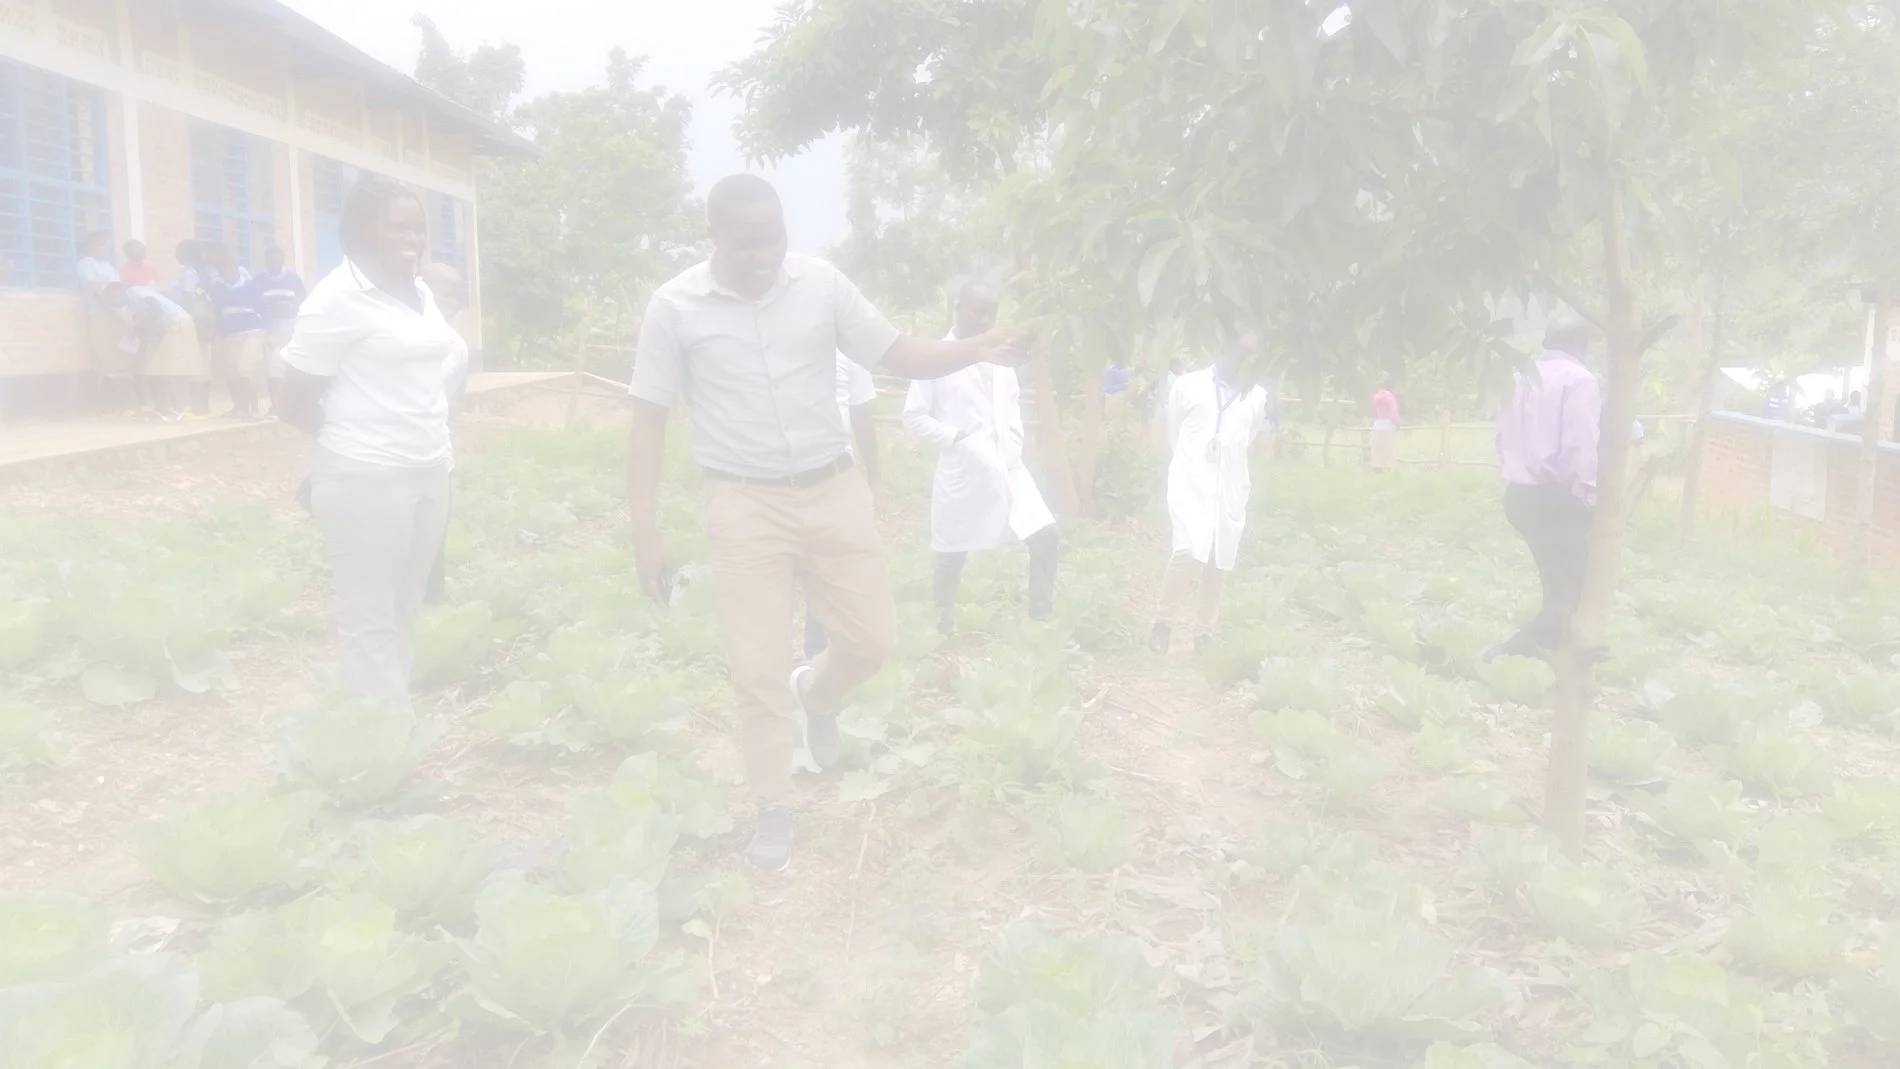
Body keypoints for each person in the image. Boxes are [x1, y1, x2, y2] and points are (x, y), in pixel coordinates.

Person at [626, 174, 1030, 871]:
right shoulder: (675, 308)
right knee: (755, 665)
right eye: (747, 242)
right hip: (743, 501)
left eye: (774, 238)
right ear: (716, 237)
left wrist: (977, 346)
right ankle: (774, 807)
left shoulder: (820, 285)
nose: (764, 254)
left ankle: (816, 691)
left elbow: (899, 352)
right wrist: (644, 529)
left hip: (831, 488)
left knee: (871, 640)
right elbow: (648, 418)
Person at [279, 175, 469, 711]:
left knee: (405, 604)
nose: (415, 238)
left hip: (431, 467)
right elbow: (292, 402)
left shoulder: (421, 292)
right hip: (365, 476)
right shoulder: (334, 301)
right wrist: (353, 443)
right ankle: (380, 736)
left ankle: (389, 712)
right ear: (363, 229)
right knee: (369, 616)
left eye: (420, 228)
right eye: (400, 226)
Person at [903, 279, 1058, 635]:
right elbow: (913, 416)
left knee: (1045, 535)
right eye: (979, 311)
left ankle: (1041, 624)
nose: (987, 320)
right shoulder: (937, 357)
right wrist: (958, 438)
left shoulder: (1000, 356)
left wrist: (1014, 440)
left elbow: (1012, 403)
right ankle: (939, 628)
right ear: (958, 307)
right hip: (965, 468)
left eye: (992, 313)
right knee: (951, 550)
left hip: (1008, 465)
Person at [1150, 326, 1277, 656]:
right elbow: (1174, 429)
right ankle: (1162, 623)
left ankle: (1203, 632)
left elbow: (1247, 440)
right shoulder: (1188, 385)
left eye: (1253, 355)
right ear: (1226, 346)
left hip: (1231, 485)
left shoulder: (1258, 396)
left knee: (1218, 558)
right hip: (1190, 479)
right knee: (1187, 549)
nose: (1245, 360)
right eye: (1241, 351)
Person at [1488, 318, 1602, 661]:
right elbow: (1579, 444)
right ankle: (1516, 649)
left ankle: (1564, 645)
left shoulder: (1519, 376)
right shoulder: (1580, 380)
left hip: (1518, 494)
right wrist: (1589, 494)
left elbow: (1501, 436)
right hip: (1555, 496)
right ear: (1582, 347)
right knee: (1572, 584)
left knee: (1555, 580)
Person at [803, 354, 881, 658]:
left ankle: (816, 648)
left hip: (835, 470)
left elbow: (862, 416)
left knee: (826, 563)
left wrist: (875, 479)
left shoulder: (850, 352)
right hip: (774, 471)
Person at [103, 281, 207, 421]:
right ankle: (165, 409)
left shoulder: (133, 292)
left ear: (119, 290)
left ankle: (183, 410)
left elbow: (155, 307)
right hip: (168, 329)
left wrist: (145, 332)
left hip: (175, 325)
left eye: (113, 298)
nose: (115, 303)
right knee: (155, 370)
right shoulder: (132, 301)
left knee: (172, 369)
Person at [207, 245, 266, 419]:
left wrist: (268, 332)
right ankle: (240, 408)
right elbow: (216, 312)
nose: (227, 272)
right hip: (230, 334)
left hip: (252, 331)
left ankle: (254, 409)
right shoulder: (217, 288)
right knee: (232, 371)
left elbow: (263, 310)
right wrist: (218, 333)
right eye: (222, 270)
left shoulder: (251, 286)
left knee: (245, 367)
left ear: (235, 268)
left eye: (229, 268)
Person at [77, 231, 131, 412]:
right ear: (92, 245)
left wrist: (121, 312)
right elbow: (97, 291)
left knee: (120, 356)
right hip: (100, 314)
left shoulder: (108, 266)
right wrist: (113, 311)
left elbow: (117, 290)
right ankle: (113, 406)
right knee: (106, 358)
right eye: (102, 244)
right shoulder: (86, 264)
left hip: (116, 314)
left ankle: (124, 405)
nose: (106, 248)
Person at [252, 246, 307, 413]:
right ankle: (276, 405)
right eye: (270, 260)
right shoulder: (258, 280)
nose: (274, 263)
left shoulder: (293, 278)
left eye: (277, 260)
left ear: (283, 261)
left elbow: (303, 301)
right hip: (270, 329)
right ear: (266, 261)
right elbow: (254, 304)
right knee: (272, 368)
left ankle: (291, 404)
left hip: (291, 328)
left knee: (291, 367)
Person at [421, 262, 482, 379]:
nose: (455, 304)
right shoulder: (401, 334)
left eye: (458, 297)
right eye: (448, 295)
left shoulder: (457, 347)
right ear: (424, 291)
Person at [1370, 379, 1401, 473]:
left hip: (1377, 425)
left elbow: (1373, 412)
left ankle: (1377, 473)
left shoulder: (1375, 397)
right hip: (1388, 426)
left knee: (1377, 452)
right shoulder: (1390, 397)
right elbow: (1393, 413)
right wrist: (1398, 424)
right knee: (1388, 452)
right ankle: (1388, 474)